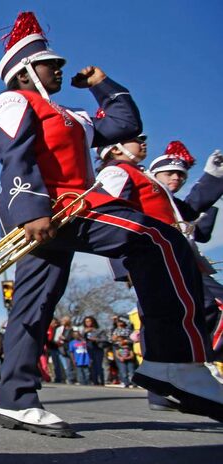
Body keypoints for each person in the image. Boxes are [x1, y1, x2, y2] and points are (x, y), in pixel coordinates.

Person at [0, 12, 221, 436]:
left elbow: (126, 124)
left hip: (68, 208)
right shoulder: (14, 101)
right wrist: (28, 210)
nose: (59, 68)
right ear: (24, 73)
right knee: (159, 238)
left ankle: (16, 401)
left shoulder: (73, 116)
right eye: (49, 63)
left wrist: (101, 82)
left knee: (34, 304)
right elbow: (14, 156)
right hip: (55, 205)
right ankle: (174, 361)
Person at [98, 139, 223, 408]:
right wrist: (125, 267)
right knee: (188, 313)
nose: (144, 142)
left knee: (166, 319)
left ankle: (167, 386)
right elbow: (112, 217)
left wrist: (212, 179)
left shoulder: (152, 185)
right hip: (153, 256)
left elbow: (185, 214)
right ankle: (193, 371)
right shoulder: (120, 172)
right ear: (115, 148)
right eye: (170, 173)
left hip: (174, 258)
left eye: (181, 174)